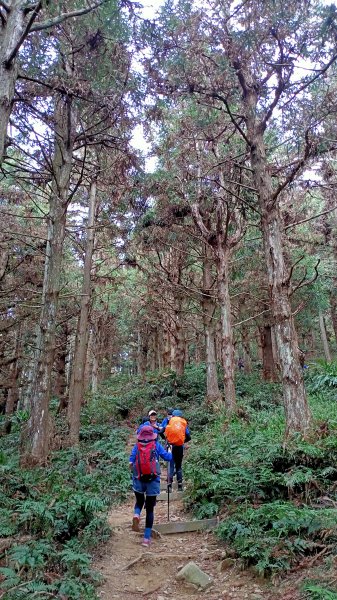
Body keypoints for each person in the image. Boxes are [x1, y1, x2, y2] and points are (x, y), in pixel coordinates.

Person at [129, 425, 172, 547]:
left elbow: (131, 462)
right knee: (150, 509)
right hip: (153, 480)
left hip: (139, 478)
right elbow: (168, 457)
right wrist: (170, 451)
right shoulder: (156, 445)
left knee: (139, 502)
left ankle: (136, 514)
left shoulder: (137, 446)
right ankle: (146, 539)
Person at [165, 409, 191, 492]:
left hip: (171, 446)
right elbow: (188, 436)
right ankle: (180, 486)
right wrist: (183, 441)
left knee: (171, 465)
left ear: (173, 415)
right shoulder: (183, 423)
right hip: (180, 446)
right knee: (179, 466)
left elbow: (165, 432)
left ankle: (169, 486)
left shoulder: (170, 422)